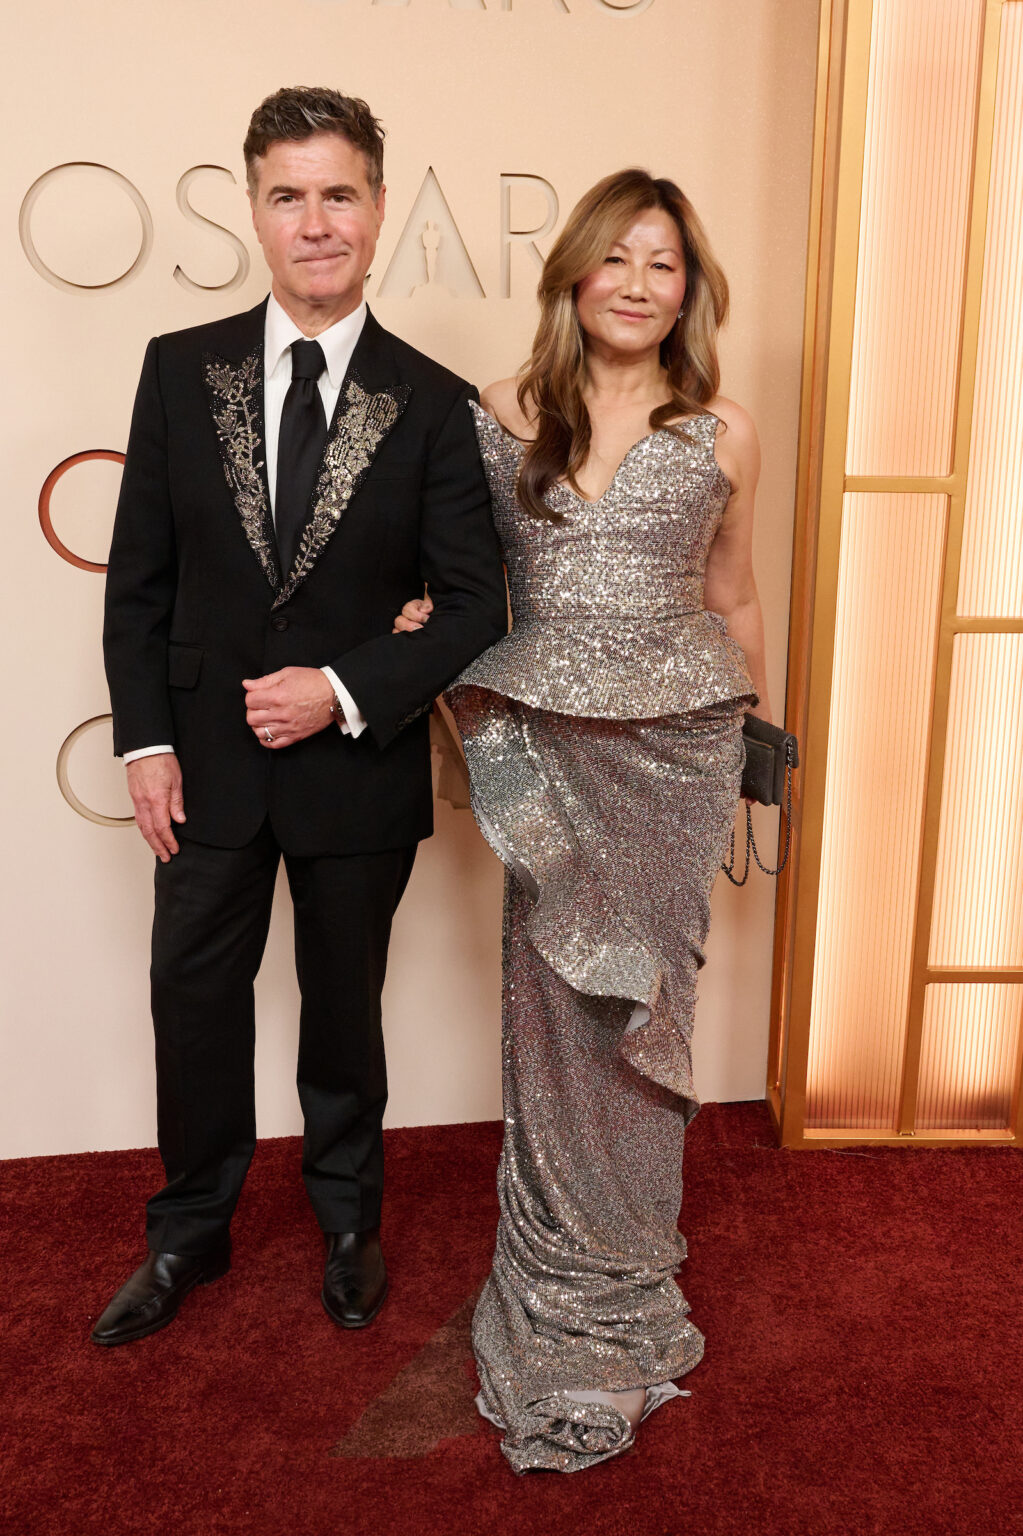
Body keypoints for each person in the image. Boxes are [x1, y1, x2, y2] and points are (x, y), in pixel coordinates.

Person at [93, 87, 507, 1347]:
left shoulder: (435, 402)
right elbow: (140, 579)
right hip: (205, 768)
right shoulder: (179, 369)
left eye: (339, 195)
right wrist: (146, 738)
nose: (314, 222)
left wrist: (338, 689)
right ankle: (187, 1235)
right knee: (194, 1000)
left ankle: (346, 1223)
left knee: (344, 1009)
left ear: (377, 210)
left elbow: (475, 604)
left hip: (353, 771)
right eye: (289, 196)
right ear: (253, 210)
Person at [394, 169, 771, 1472]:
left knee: (650, 1013)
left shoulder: (721, 429)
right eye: (613, 258)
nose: (633, 283)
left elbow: (731, 599)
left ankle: (627, 1270)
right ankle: (556, 1287)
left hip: (674, 757)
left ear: (686, 288)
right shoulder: (498, 412)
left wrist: (748, 752)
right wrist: (418, 629)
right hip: (544, 746)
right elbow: (464, 584)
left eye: (660, 263)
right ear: (571, 273)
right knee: (551, 1011)